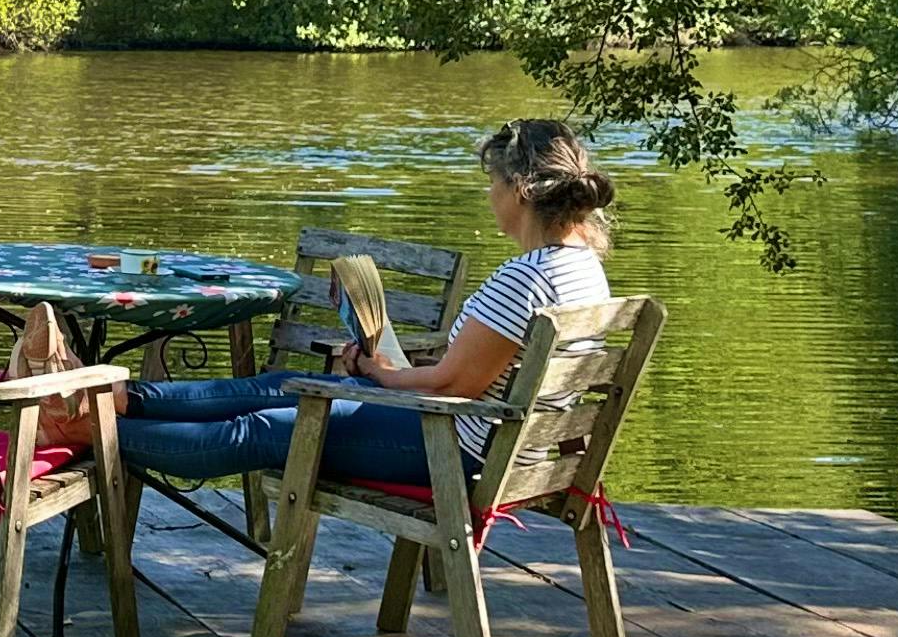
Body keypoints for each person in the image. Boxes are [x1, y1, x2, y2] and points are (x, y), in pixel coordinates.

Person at [118, 119, 617, 491]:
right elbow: (479, 372)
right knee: (277, 387)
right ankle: (122, 401)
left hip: (455, 451)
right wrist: (385, 370)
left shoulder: (527, 277)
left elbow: (455, 384)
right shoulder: (583, 269)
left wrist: (382, 374)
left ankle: (94, 431)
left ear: (521, 190)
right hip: (501, 444)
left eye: (493, 183)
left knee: (261, 431)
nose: (489, 195)